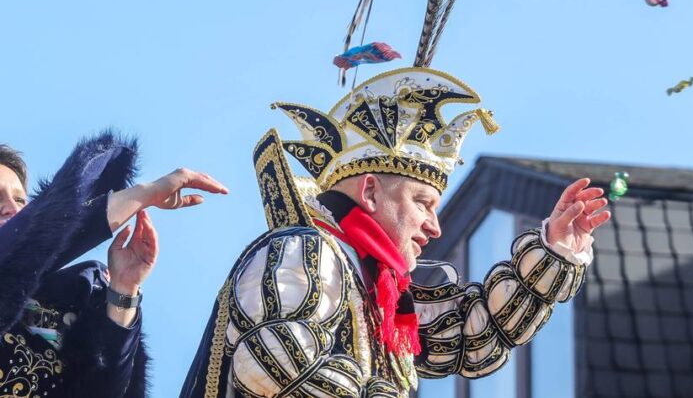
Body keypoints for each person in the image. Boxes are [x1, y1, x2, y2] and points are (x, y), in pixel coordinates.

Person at [182, 67, 611, 398]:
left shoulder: (375, 289)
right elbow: (275, 362)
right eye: (423, 203)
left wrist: (553, 251)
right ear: (369, 191)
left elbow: (472, 337)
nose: (435, 226)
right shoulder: (305, 250)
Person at [0, 132, 227, 398]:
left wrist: (122, 291)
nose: (12, 210)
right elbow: (22, 244)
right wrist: (143, 194)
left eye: (20, 200)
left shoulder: (78, 294)